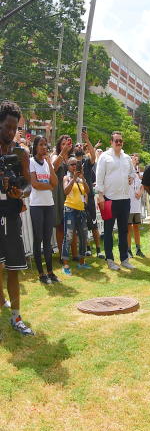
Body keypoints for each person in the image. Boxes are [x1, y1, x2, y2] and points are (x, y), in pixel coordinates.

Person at [0, 101, 35, 335]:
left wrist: (19, 192)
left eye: (15, 128)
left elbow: (28, 186)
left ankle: (16, 317)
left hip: (12, 213)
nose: (11, 132)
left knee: (14, 268)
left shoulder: (21, 152)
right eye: (7, 127)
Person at [95, 131, 136, 271]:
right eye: (116, 141)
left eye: (120, 141)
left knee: (124, 230)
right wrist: (100, 195)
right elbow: (99, 177)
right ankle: (110, 259)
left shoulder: (126, 158)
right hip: (108, 199)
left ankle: (124, 259)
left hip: (124, 199)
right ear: (111, 142)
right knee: (108, 231)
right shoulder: (104, 157)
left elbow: (132, 172)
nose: (119, 143)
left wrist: (131, 177)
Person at [28, 136, 58, 283]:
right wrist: (49, 186)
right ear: (35, 147)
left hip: (49, 204)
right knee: (38, 238)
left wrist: (50, 165)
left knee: (47, 240)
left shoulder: (47, 163)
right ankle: (41, 274)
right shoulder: (31, 162)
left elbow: (56, 182)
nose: (44, 147)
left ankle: (51, 272)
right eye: (41, 145)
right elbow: (35, 184)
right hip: (36, 206)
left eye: (45, 145)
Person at [61, 156, 91, 274]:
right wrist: (73, 178)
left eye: (76, 164)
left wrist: (82, 178)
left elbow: (87, 191)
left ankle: (82, 262)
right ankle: (66, 264)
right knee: (68, 237)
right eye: (72, 164)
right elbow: (65, 191)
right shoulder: (66, 177)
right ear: (68, 166)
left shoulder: (80, 178)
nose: (74, 167)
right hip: (70, 210)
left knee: (83, 236)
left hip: (81, 210)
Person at [50, 134, 72, 256]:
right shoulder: (55, 156)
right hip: (58, 192)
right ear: (59, 146)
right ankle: (62, 254)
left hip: (71, 192)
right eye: (62, 144)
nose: (65, 146)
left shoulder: (72, 158)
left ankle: (71, 252)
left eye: (67, 144)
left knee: (71, 224)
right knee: (60, 224)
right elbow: (53, 167)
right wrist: (62, 153)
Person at [128, 153, 145, 258]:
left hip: (136, 204)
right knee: (128, 227)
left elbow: (143, 184)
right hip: (128, 204)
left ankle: (138, 249)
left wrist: (141, 192)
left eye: (135, 158)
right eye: (132, 158)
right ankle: (128, 250)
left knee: (136, 227)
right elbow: (128, 182)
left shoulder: (137, 172)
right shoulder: (127, 172)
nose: (134, 159)